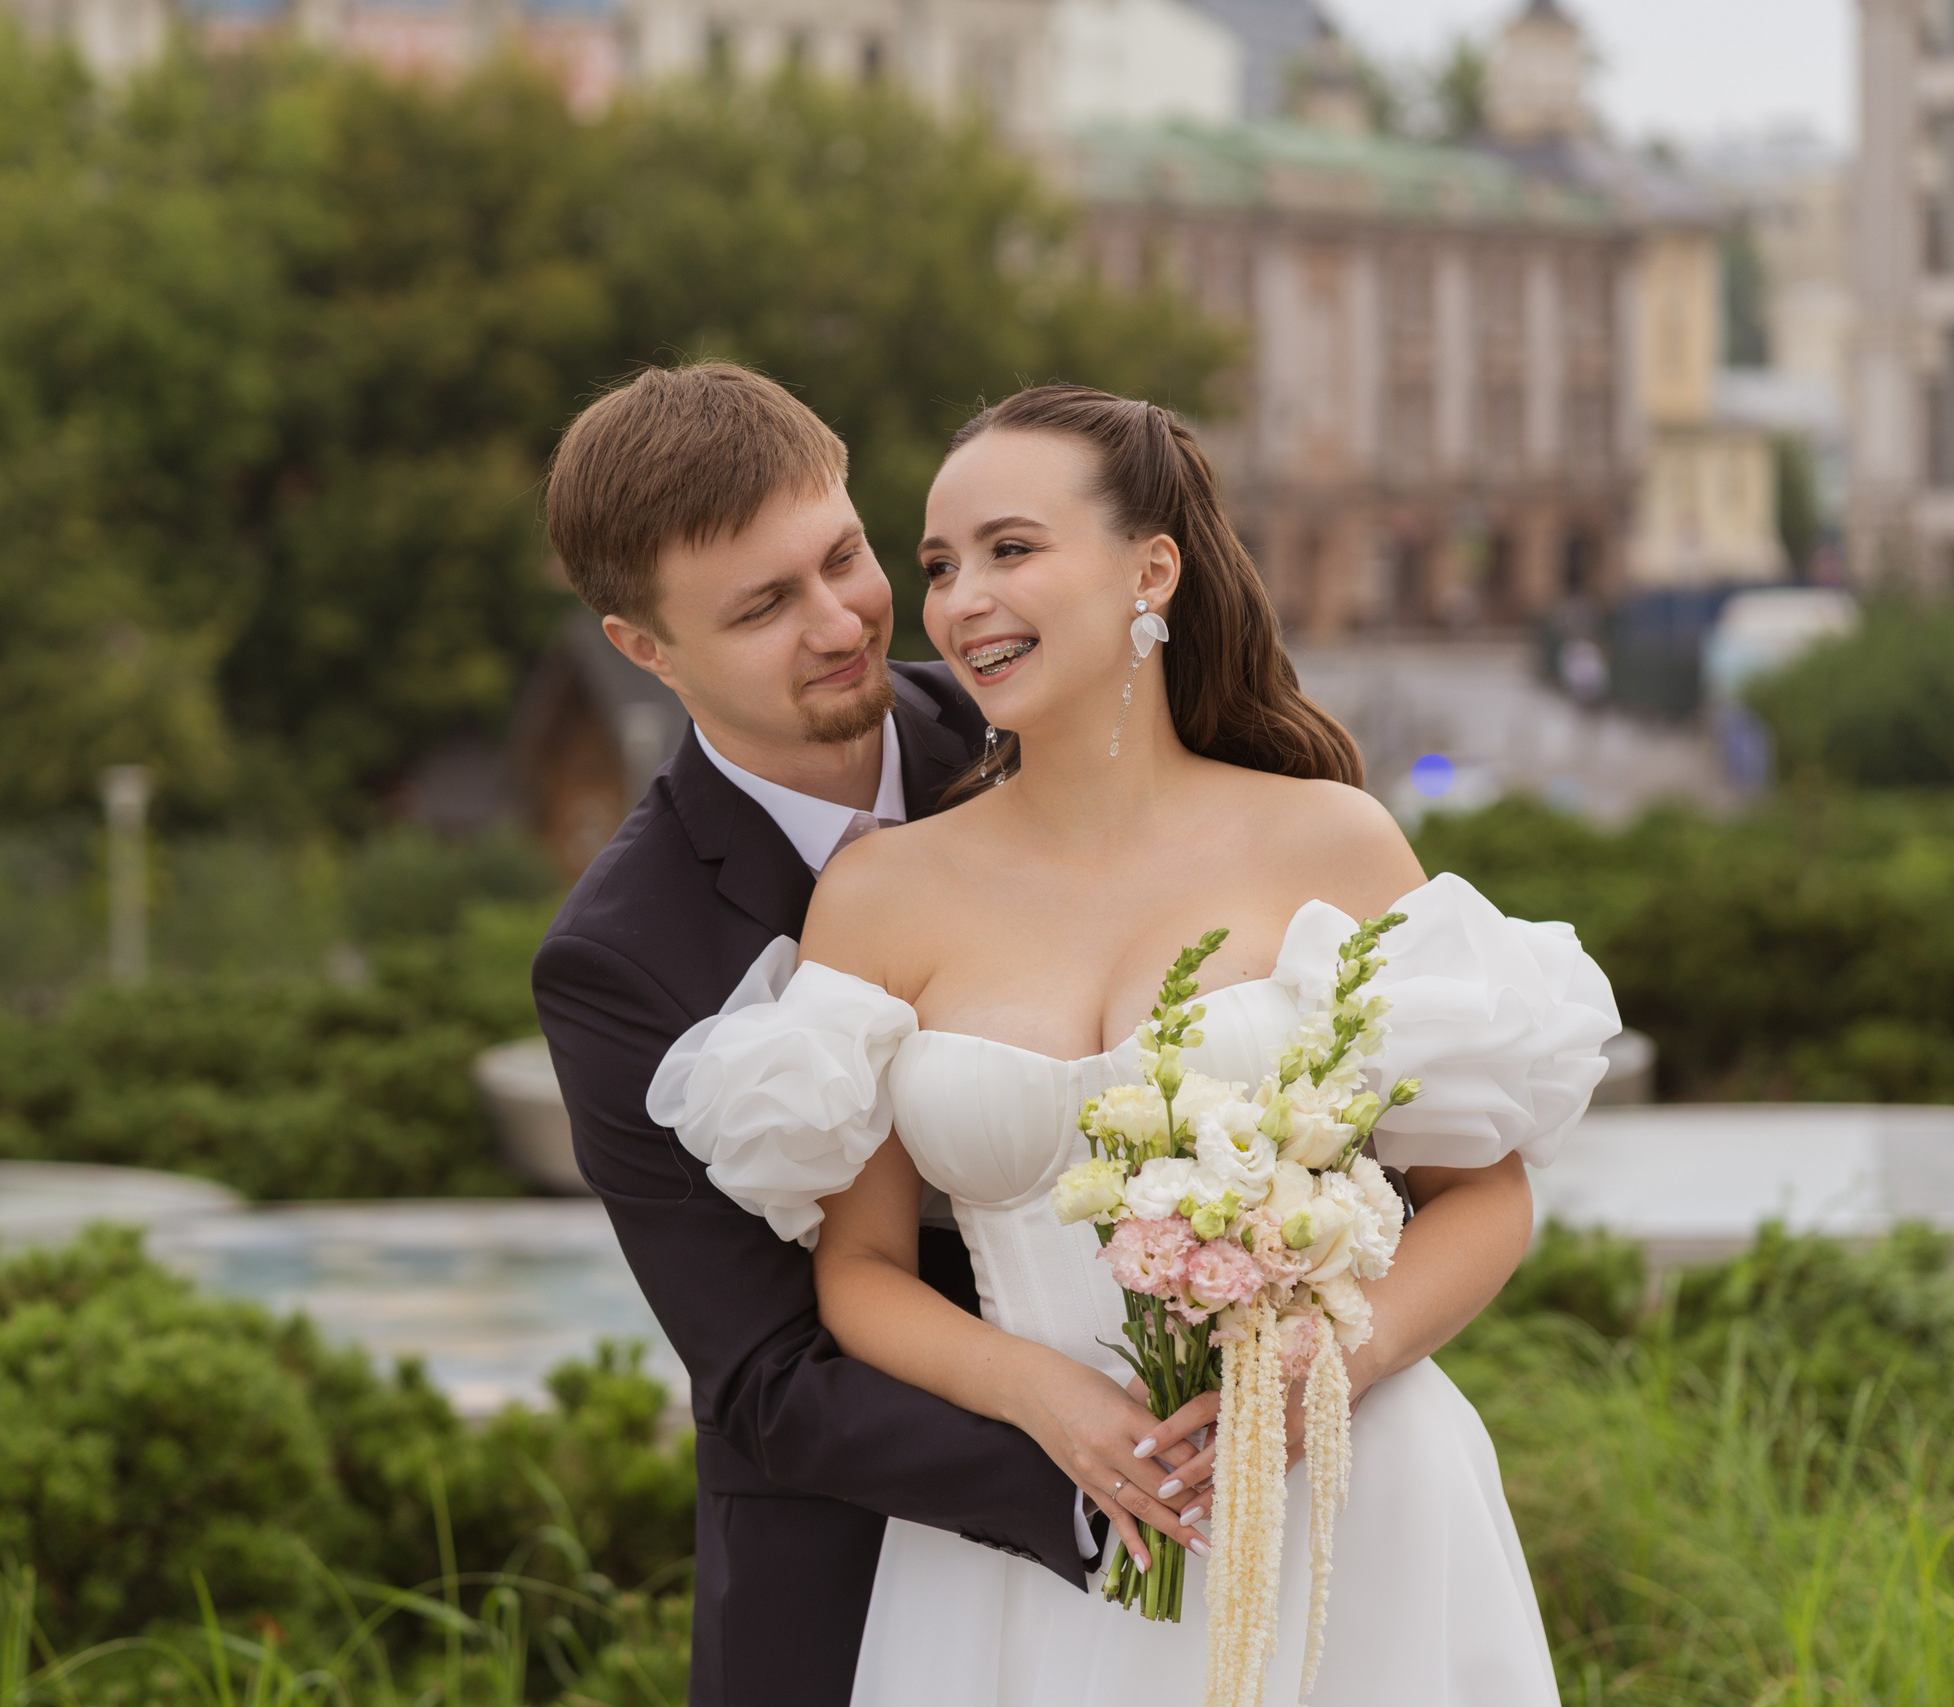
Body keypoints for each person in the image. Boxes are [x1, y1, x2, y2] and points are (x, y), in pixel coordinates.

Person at [649, 385, 1620, 1705]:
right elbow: (862, 1269)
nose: (959, 601)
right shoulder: (880, 895)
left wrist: (1328, 1362)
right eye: (938, 566)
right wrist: (1036, 1396)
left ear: (1150, 568)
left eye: (1011, 548)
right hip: (1023, 1552)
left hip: (1351, 1502)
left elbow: (1485, 1196)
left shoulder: (1331, 842)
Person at [530, 363, 1128, 1707]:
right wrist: (1108, 1481)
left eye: (844, 558)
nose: (841, 621)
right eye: (762, 606)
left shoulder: (1048, 725)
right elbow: (765, 1378)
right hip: (857, 1589)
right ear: (645, 648)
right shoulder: (620, 956)